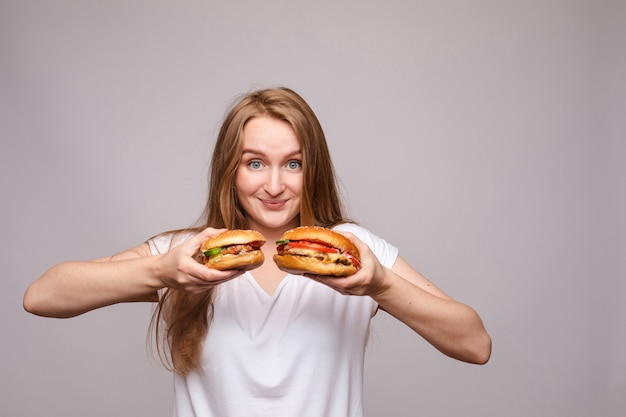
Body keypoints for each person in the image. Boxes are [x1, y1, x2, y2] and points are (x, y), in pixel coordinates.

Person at [23, 87, 491, 416]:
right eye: (254, 163)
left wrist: (380, 284)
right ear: (230, 170)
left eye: (293, 163)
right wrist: (163, 269)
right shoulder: (187, 253)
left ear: (314, 171)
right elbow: (42, 296)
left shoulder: (354, 252)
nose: (273, 185)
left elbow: (475, 344)